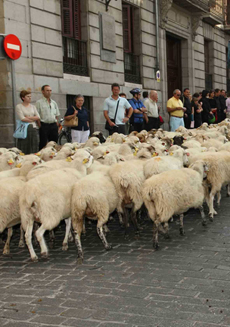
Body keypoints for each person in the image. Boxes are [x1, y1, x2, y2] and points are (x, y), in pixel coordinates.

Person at [36, 85, 60, 150]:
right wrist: (40, 125)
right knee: (43, 143)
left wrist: (56, 125)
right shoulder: (39, 103)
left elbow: (56, 114)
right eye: (47, 90)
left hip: (53, 125)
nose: (49, 92)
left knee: (54, 143)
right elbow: (37, 115)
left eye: (50, 90)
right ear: (43, 92)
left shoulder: (54, 103)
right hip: (44, 125)